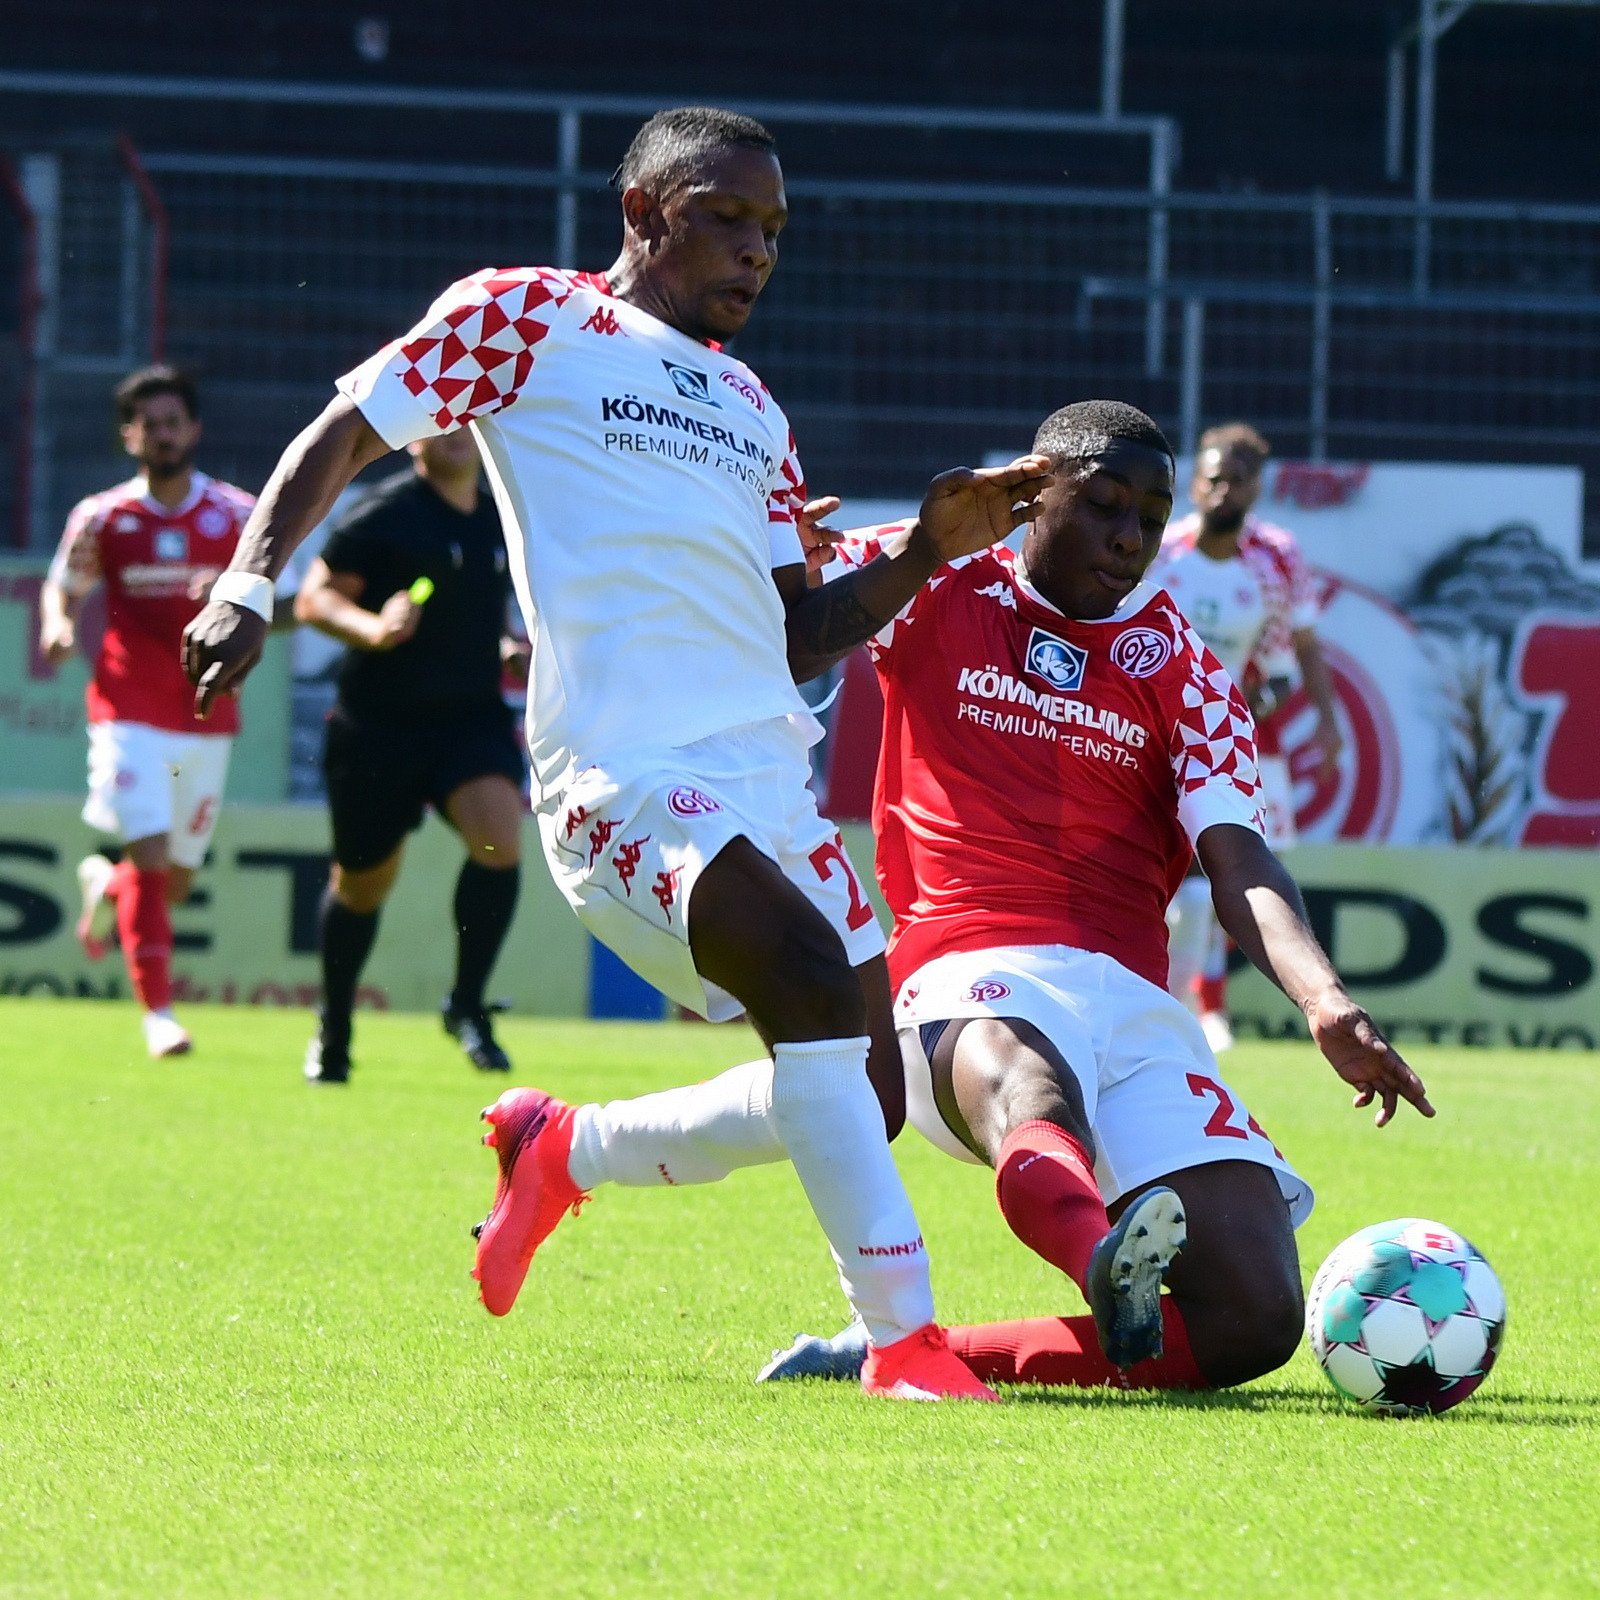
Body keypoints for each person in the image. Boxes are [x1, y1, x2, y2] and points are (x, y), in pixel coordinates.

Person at [181, 106, 1052, 1401]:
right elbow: (349, 428)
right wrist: (250, 584)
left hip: (767, 778)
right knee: (814, 988)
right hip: (625, 776)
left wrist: (928, 551)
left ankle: (560, 1150)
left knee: (858, 1098)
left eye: (774, 230)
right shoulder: (530, 317)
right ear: (644, 211)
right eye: (727, 219)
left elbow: (797, 630)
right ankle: (906, 1344)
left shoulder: (755, 408)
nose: (758, 251)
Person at [757, 400, 1433, 1394]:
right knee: (1028, 1081)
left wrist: (1325, 1001)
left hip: (1129, 1004)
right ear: (1034, 496)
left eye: (1148, 518)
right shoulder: (933, 572)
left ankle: (897, 1354)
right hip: (965, 972)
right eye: (1103, 505)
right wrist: (832, 553)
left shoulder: (1188, 667)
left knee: (1253, 1315)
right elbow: (794, 640)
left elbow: (1239, 859)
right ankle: (1097, 1253)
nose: (1128, 536)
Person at [292, 428, 530, 1083]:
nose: (454, 434)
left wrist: (511, 649)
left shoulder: (499, 516)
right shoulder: (383, 511)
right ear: (412, 439)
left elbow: (487, 612)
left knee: (498, 841)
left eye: (466, 422)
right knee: (362, 887)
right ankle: (335, 1027)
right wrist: (372, 628)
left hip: (470, 721)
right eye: (438, 422)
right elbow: (315, 597)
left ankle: (466, 1005)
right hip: (379, 728)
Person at [39, 365, 254, 1059]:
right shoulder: (103, 517)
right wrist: (57, 625)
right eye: (148, 424)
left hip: (205, 716)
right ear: (129, 435)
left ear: (193, 430)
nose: (161, 435)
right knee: (157, 863)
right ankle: (160, 1016)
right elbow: (63, 587)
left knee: (177, 883)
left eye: (172, 422)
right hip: (124, 711)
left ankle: (106, 881)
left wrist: (232, 593)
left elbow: (284, 607)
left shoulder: (239, 515)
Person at [1150, 421, 1341, 1051]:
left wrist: (1239, 712)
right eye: (1211, 478)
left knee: (1224, 876)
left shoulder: (1275, 562)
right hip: (1144, 738)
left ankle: (1207, 1006)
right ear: (1193, 483)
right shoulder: (1163, 553)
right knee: (1165, 883)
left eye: (1237, 479)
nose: (1223, 489)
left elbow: (1288, 663)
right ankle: (1161, 1000)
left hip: (1223, 742)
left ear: (1257, 486)